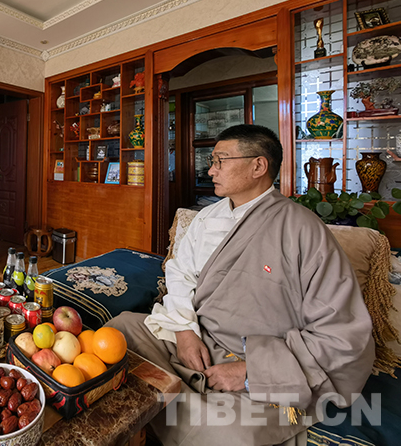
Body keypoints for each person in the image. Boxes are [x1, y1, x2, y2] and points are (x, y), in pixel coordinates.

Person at [107, 124, 374, 446]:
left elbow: (342, 333)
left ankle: (172, 400)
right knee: (120, 331)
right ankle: (185, 397)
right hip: (197, 339)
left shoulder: (303, 229)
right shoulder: (207, 217)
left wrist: (249, 371)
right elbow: (180, 274)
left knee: (226, 432)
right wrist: (185, 332)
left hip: (261, 359)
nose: (211, 170)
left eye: (220, 160)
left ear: (258, 166)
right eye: (213, 161)